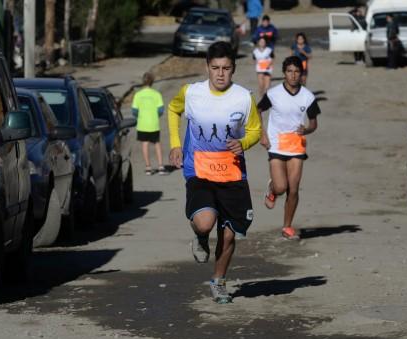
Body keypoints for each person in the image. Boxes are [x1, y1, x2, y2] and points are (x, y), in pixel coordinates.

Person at [168, 41, 262, 304]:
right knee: (206, 222)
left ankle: (219, 282)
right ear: (207, 68)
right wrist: (175, 144)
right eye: (215, 68)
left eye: (226, 68)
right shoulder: (191, 93)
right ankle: (200, 235)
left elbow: (255, 130)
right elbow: (173, 111)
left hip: (231, 172)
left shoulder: (244, 97)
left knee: (229, 233)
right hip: (199, 168)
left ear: (233, 70)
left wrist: (243, 143)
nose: (220, 74)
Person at [259, 56, 319, 240]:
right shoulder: (273, 94)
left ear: (301, 74)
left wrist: (306, 129)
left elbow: (314, 123)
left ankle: (287, 226)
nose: (293, 75)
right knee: (281, 186)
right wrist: (262, 134)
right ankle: (272, 190)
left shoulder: (308, 97)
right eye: (289, 71)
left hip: (296, 146)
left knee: (293, 189)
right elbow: (257, 110)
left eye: (296, 72)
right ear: (284, 73)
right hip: (276, 144)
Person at [132, 72, 166, 175]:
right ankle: (160, 166)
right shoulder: (156, 94)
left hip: (142, 124)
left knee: (145, 144)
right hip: (153, 123)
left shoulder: (138, 95)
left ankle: (148, 167)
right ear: (152, 82)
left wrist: (140, 116)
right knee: (157, 143)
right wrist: (155, 116)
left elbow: (134, 111)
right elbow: (160, 110)